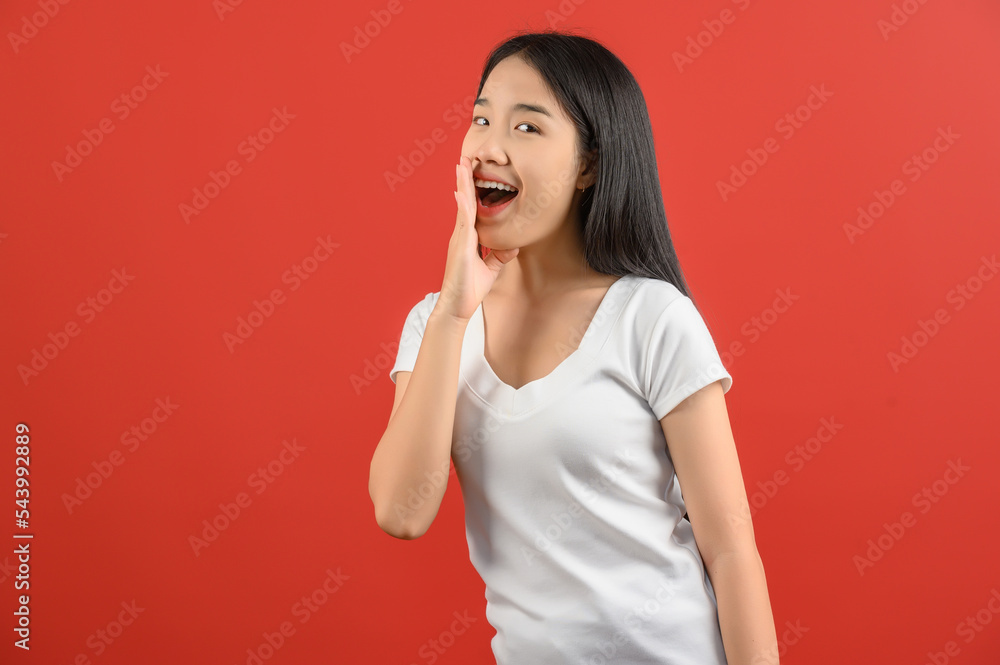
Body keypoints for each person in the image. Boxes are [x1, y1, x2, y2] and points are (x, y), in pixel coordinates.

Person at [369, 29, 779, 665]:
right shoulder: (435, 327)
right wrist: (454, 311)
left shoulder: (651, 316)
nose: (489, 147)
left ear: (588, 164)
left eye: (527, 128)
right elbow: (400, 511)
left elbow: (729, 551)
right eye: (481, 119)